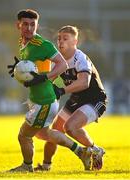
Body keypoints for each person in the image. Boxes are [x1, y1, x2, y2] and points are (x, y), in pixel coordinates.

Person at [7, 9, 92, 172]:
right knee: (46, 134)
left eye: (33, 25)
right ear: (18, 25)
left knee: (24, 135)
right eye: (25, 24)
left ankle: (26, 166)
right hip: (38, 98)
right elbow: (33, 66)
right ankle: (82, 152)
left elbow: (62, 64)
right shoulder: (23, 43)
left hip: (44, 100)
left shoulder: (43, 44)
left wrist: (44, 77)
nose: (29, 28)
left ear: (37, 25)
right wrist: (20, 70)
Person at [35, 25, 107, 171]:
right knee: (55, 131)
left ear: (75, 42)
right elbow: (49, 81)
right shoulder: (58, 60)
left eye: (65, 38)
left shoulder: (80, 58)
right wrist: (33, 82)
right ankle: (46, 165)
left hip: (95, 100)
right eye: (59, 38)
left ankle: (94, 149)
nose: (60, 42)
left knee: (70, 127)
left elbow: (84, 82)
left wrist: (61, 90)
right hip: (77, 99)